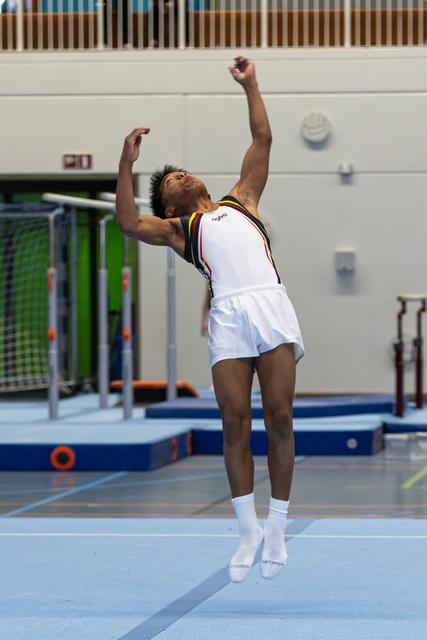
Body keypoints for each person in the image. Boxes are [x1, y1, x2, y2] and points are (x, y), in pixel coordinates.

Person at [115, 56, 305, 583]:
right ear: (170, 204)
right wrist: (127, 162)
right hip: (228, 315)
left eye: (180, 170)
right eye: (170, 179)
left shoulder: (241, 199)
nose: (179, 174)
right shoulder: (179, 231)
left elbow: (263, 139)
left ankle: (278, 525)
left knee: (281, 417)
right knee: (234, 422)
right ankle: (246, 528)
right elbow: (128, 221)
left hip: (269, 304)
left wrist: (251, 85)